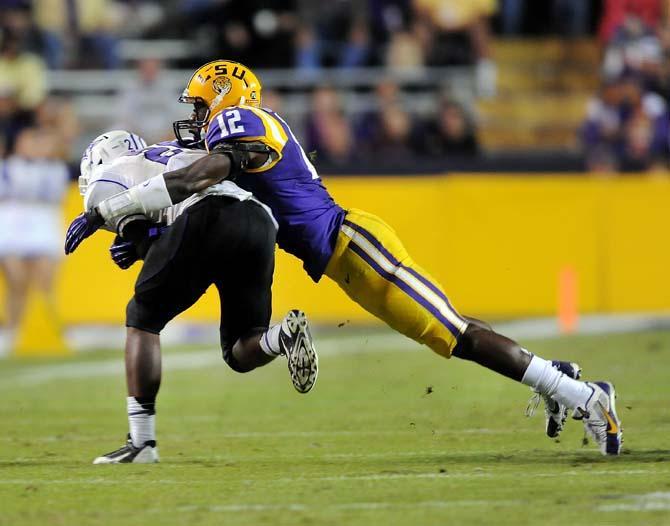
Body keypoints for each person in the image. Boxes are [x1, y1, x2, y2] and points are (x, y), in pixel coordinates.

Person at [66, 61, 624, 456]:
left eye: (198, 101)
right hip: (342, 261)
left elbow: (200, 176)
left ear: (223, 98)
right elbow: (200, 196)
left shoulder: (241, 123)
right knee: (448, 338)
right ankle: (560, 380)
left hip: (353, 243)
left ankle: (584, 395)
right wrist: (139, 232)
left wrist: (107, 209)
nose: (191, 113)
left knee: (455, 333)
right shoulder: (230, 136)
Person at [66, 130, 318, 463]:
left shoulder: (107, 177)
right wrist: (144, 244)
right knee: (241, 348)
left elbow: (145, 232)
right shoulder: (167, 151)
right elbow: (169, 222)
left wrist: (136, 243)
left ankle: (142, 443)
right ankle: (282, 337)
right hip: (258, 220)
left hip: (207, 217)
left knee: (142, 316)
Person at [0, 127, 68, 341]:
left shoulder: (56, 168)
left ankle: (49, 329)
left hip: (44, 221)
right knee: (17, 280)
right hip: (13, 221)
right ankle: (13, 331)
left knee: (45, 281)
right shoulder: (7, 167)